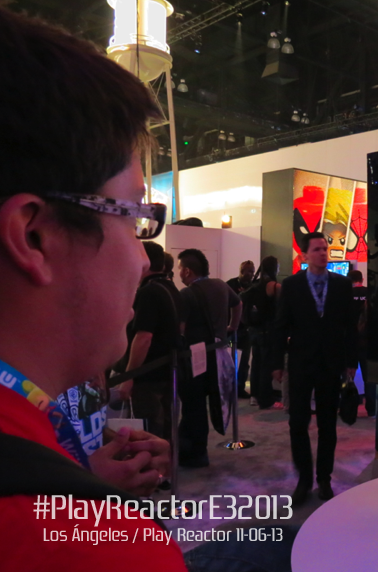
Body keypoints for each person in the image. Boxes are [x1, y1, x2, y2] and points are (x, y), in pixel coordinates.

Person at [0, 7, 185, 569]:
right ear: (34, 236)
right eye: (133, 217)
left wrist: (80, 474)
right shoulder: (103, 547)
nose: (142, 258)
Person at [272, 232, 357, 505]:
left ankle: (324, 478)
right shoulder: (292, 285)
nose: (323, 253)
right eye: (317, 249)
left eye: (325, 248)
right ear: (304, 255)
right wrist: (276, 363)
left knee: (327, 424)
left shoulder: (342, 285)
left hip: (331, 363)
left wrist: (351, 362)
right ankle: (304, 479)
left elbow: (350, 326)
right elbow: (280, 325)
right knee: (297, 422)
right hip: (300, 363)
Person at [177, 248, 242, 468]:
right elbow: (238, 304)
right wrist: (232, 327)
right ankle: (197, 450)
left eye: (180, 268)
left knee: (193, 405)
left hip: (195, 357)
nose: (179, 272)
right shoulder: (221, 285)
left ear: (187, 271)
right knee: (214, 400)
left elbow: (180, 329)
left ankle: (195, 453)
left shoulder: (186, 294)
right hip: (219, 353)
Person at [117, 241, 185, 441]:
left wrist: (129, 376)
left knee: (149, 428)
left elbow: (144, 337)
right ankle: (168, 459)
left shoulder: (148, 292)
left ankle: (157, 461)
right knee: (167, 424)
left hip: (149, 376)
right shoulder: (171, 288)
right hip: (168, 369)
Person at [241, 256, 283, 410]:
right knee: (266, 365)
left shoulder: (254, 285)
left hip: (253, 331)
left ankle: (255, 396)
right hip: (268, 331)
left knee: (256, 364)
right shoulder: (274, 286)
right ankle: (266, 399)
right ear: (274, 268)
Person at [226, 260, 256, 399]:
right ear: (242, 271)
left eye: (253, 271)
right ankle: (228, 387)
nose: (252, 274)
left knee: (244, 362)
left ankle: (240, 388)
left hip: (246, 329)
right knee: (229, 361)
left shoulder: (254, 286)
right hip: (231, 328)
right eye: (249, 271)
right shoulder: (230, 285)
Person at [348, 270, 374, 416]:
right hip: (367, 341)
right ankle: (371, 408)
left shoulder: (345, 294)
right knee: (369, 376)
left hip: (349, 340)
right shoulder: (369, 293)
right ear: (362, 279)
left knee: (346, 375)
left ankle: (347, 407)